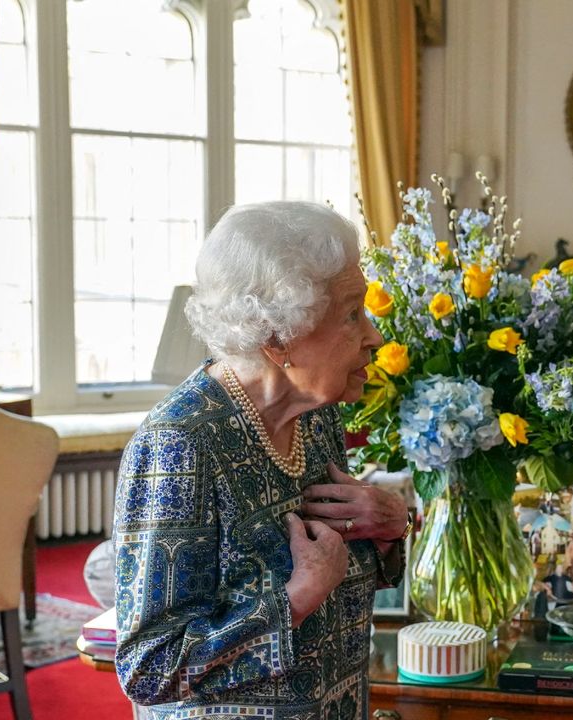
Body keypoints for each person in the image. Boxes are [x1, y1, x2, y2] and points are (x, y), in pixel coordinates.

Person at [113, 201, 410, 719]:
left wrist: (387, 530)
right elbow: (149, 668)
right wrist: (296, 597)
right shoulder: (181, 443)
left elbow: (339, 576)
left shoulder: (316, 416)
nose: (374, 336)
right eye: (351, 313)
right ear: (278, 338)